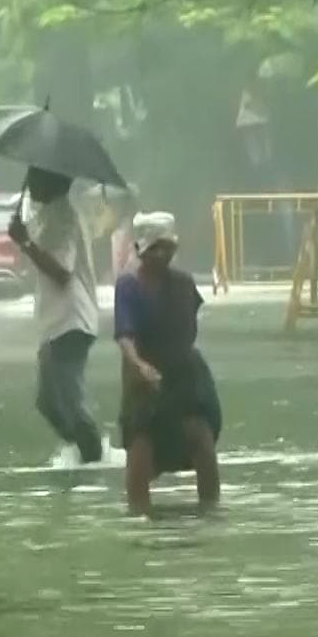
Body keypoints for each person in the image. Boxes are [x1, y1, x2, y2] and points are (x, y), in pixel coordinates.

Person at [113, 212, 221, 515]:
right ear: (141, 250)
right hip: (143, 380)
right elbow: (125, 334)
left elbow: (189, 329)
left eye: (167, 248)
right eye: (155, 248)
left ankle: (211, 512)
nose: (162, 255)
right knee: (141, 450)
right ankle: (139, 518)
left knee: (201, 438)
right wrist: (139, 365)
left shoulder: (183, 283)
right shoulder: (129, 285)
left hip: (182, 376)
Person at [9, 166, 106, 464]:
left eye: (37, 176)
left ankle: (93, 459)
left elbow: (62, 272)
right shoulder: (49, 213)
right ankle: (85, 452)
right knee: (48, 403)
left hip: (71, 320)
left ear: (53, 181)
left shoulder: (64, 216)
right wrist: (23, 235)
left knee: (69, 403)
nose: (32, 182)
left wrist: (25, 243)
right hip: (55, 322)